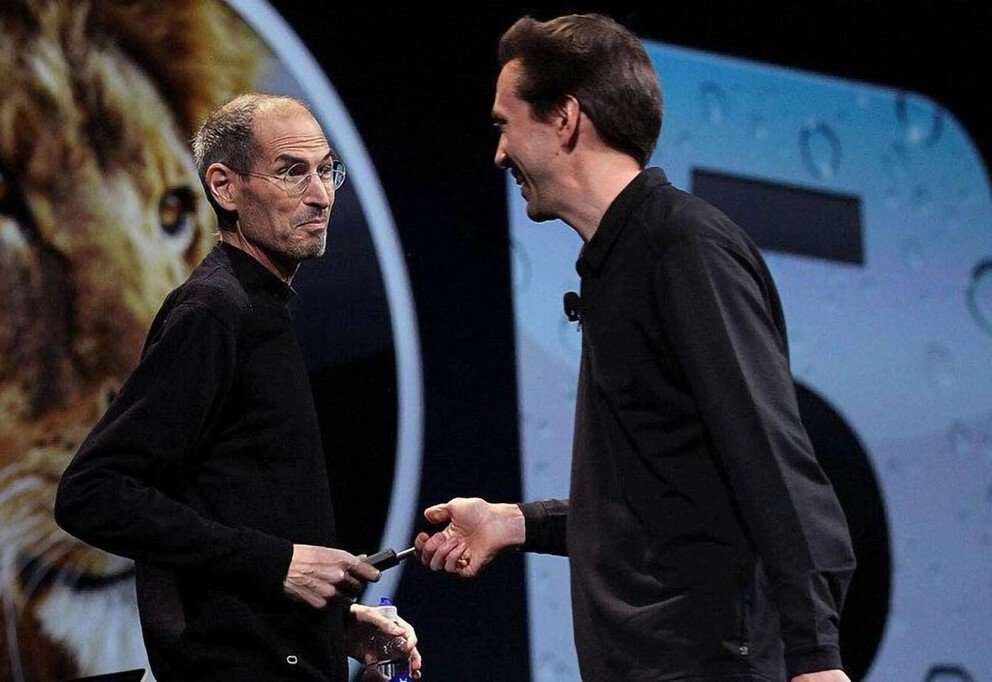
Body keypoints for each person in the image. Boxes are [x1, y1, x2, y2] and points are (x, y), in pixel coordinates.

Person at [415, 14, 855, 682]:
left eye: (506, 125)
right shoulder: (619, 262)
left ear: (565, 118)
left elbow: (769, 458)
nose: (499, 154)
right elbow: (659, 496)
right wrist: (515, 523)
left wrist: (817, 658)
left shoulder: (684, 248)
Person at [55, 94, 422, 681]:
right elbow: (92, 492)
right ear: (224, 187)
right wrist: (279, 564)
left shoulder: (258, 308)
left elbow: (246, 510)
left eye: (327, 170)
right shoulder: (213, 312)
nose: (321, 195)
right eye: (292, 172)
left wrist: (334, 624)